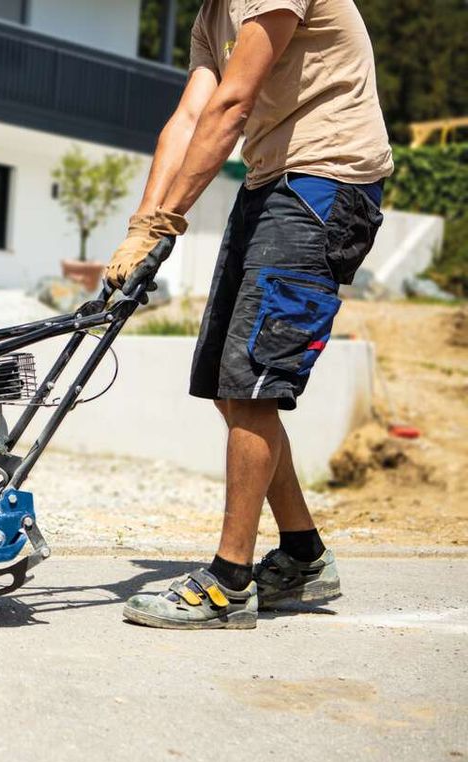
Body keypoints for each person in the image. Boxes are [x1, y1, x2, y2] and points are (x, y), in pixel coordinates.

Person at [108, 0, 392, 629]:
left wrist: (166, 220)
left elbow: (233, 106)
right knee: (225, 384)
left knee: (255, 383)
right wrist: (141, 228)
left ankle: (230, 584)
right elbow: (188, 118)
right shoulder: (213, 14)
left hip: (326, 182)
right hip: (270, 182)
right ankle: (303, 555)